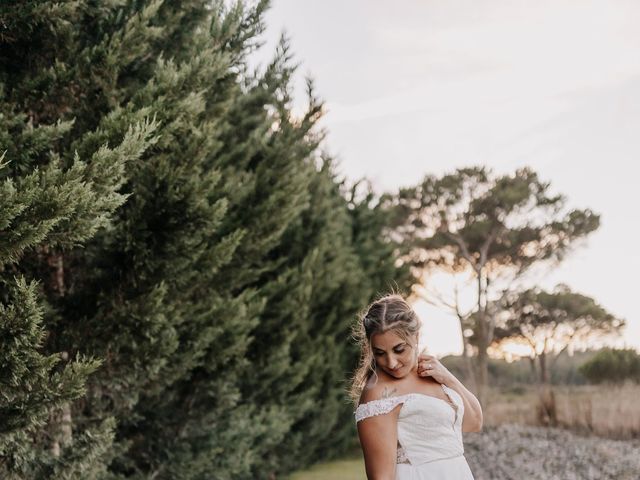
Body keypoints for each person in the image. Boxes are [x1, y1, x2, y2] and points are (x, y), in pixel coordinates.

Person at [349, 293, 483, 480]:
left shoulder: (434, 375)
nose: (391, 362)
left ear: (416, 336)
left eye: (399, 349)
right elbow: (381, 477)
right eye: (380, 353)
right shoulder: (379, 393)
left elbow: (474, 422)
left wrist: (448, 378)